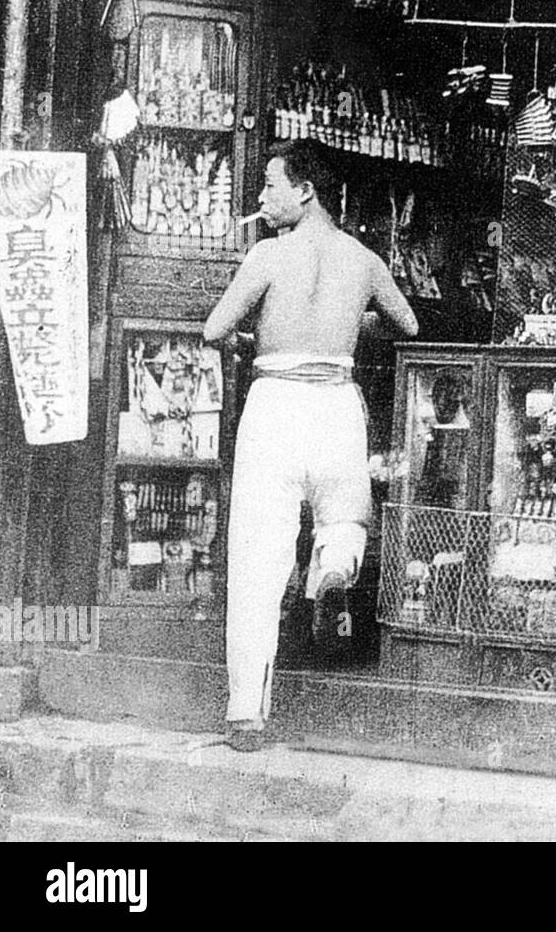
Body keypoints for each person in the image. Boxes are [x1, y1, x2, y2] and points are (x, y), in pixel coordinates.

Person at [203, 139, 418, 752]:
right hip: (337, 402)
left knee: (257, 560)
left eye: (272, 184)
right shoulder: (364, 259)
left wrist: (254, 337)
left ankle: (246, 713)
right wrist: (350, 321)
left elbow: (214, 327)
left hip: (276, 403)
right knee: (345, 518)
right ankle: (334, 563)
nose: (263, 197)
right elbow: (407, 324)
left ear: (305, 190)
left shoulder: (268, 255)